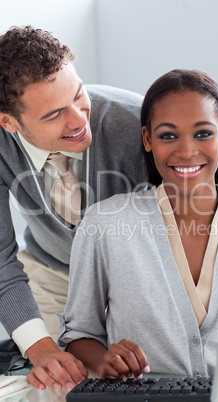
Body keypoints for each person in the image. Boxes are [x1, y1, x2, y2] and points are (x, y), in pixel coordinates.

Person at [57, 69, 218, 379]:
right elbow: (77, 335)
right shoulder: (104, 225)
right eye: (168, 135)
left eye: (203, 133)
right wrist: (104, 361)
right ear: (147, 139)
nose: (186, 151)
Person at [0, 25, 148, 390]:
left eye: (79, 95)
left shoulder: (137, 122)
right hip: (51, 272)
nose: (80, 121)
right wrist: (42, 349)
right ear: (8, 122)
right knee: (56, 385)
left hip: (135, 278)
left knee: (135, 383)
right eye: (53, 115)